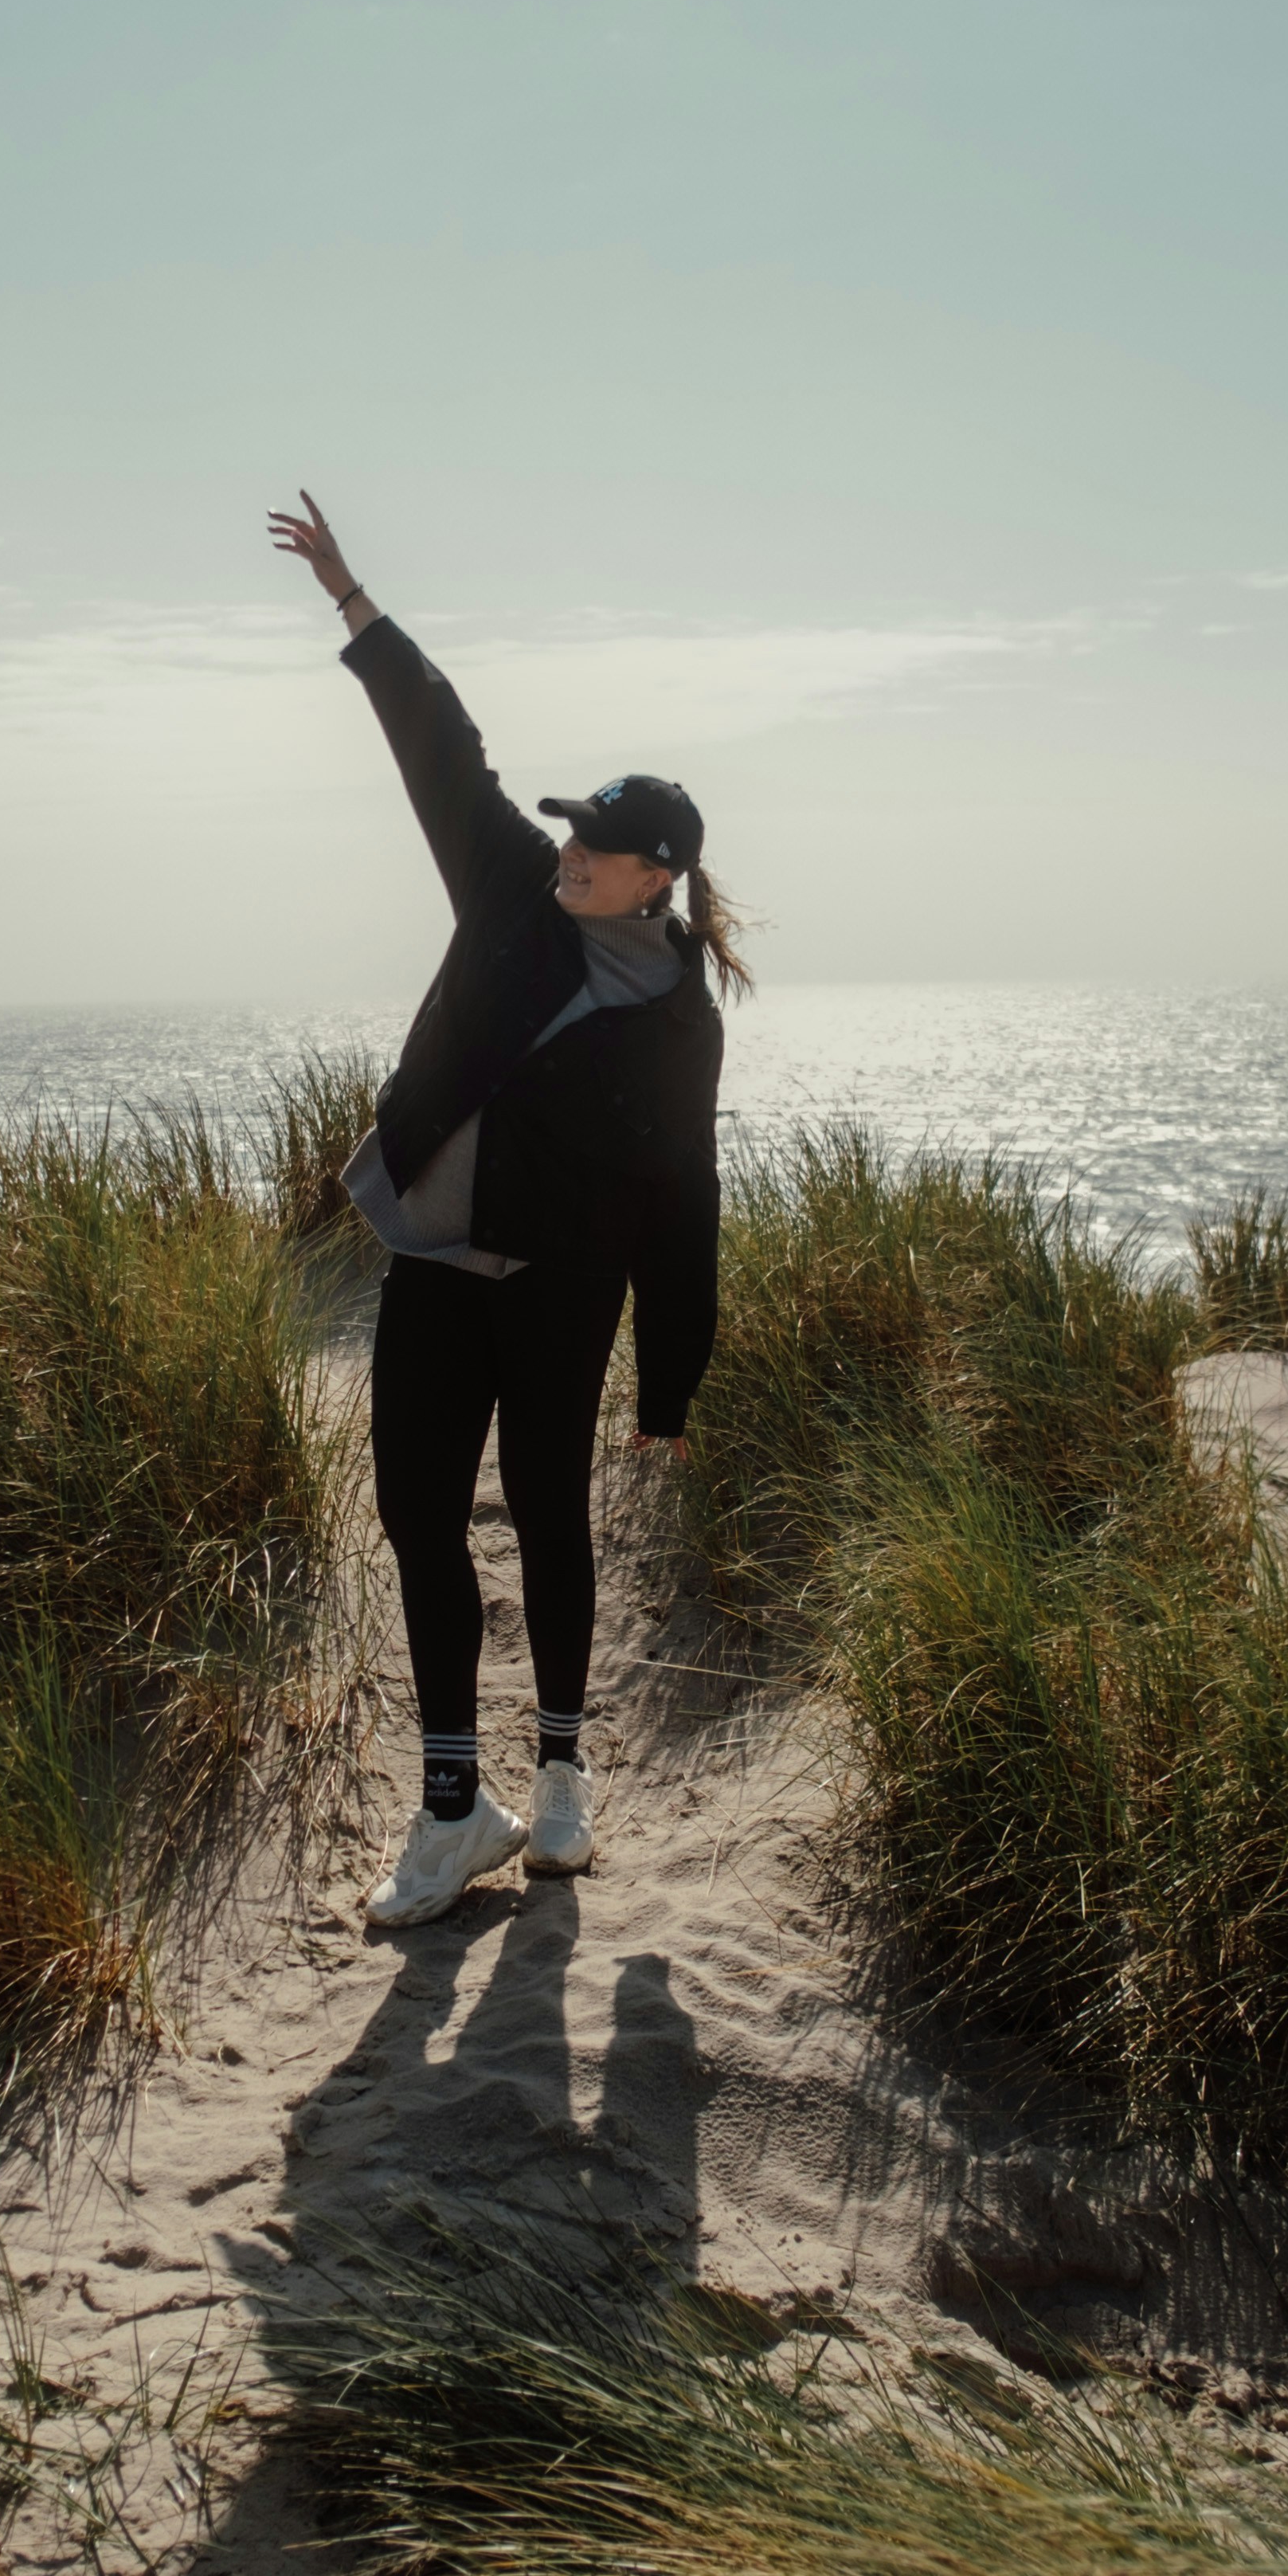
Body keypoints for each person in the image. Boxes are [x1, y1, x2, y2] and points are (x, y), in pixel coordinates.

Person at [268, 491, 752, 1929]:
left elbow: (684, 1197)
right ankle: (448, 1808)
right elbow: (444, 746)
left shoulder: (676, 1013)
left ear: (655, 875)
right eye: (572, 833)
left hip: (561, 1287)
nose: (569, 850)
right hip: (433, 1255)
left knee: (546, 1516)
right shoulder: (507, 888)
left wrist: (671, 1376)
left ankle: (557, 1781)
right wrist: (355, 606)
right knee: (418, 1514)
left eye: (597, 844)